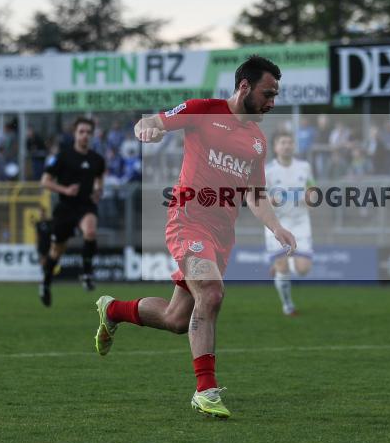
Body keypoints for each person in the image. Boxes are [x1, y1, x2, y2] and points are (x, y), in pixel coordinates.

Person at [93, 55, 296, 419]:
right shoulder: (202, 110)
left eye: (276, 95)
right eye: (268, 93)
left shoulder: (257, 141)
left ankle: (113, 309)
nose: (272, 102)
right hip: (188, 219)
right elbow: (151, 121)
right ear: (244, 87)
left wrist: (277, 227)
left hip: (222, 233)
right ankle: (206, 390)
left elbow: (255, 195)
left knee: (175, 319)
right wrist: (148, 130)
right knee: (213, 293)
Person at [38, 117, 106, 307]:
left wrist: (98, 190)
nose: (85, 135)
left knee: (90, 231)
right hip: (66, 207)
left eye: (88, 132)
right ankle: (45, 282)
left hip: (86, 205)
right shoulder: (63, 156)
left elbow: (100, 179)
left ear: (92, 135)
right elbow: (45, 181)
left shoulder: (97, 159)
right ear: (75, 134)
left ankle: (86, 272)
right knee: (56, 251)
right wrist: (65, 190)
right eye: (81, 131)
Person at [265, 130, 315, 316]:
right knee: (283, 266)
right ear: (276, 147)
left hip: (300, 221)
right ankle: (288, 305)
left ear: (294, 145)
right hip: (277, 223)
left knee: (303, 269)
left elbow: (313, 190)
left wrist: (311, 197)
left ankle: (280, 264)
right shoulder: (267, 171)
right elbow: (258, 198)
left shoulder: (305, 167)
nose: (286, 145)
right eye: (282, 142)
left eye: (289, 142)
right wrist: (272, 200)